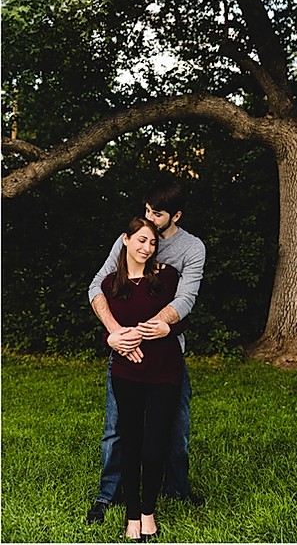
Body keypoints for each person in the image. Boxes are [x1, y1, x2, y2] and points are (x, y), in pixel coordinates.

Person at [86, 182, 207, 524]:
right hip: (124, 351)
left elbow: (185, 300)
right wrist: (115, 334)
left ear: (176, 216)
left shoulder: (191, 249)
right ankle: (109, 493)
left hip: (167, 355)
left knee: (176, 428)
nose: (149, 219)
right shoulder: (131, 236)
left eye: (157, 214)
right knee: (117, 428)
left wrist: (141, 332)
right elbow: (99, 284)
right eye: (147, 210)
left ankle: (175, 488)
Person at [100, 217, 185, 541]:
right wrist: (113, 340)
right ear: (125, 240)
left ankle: (149, 512)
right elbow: (108, 330)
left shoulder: (166, 277)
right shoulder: (111, 285)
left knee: (154, 446)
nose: (146, 248)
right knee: (131, 443)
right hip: (126, 375)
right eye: (141, 240)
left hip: (165, 373)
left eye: (152, 242)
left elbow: (180, 319)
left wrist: (162, 329)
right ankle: (132, 514)